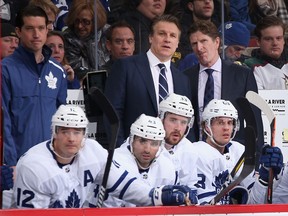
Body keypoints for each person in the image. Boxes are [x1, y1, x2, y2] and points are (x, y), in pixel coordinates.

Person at [13, 105, 197, 208]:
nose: (71, 138)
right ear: (54, 132)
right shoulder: (34, 166)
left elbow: (126, 186)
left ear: (84, 134)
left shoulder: (93, 152)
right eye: (65, 131)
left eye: (77, 132)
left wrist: (157, 196)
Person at [183, 20, 264, 170]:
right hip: (196, 158)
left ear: (217, 42)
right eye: (194, 44)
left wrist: (255, 163)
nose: (199, 48)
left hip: (234, 158)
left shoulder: (242, 75)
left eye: (203, 41)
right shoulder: (186, 77)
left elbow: (255, 123)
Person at [104, 14, 192, 147]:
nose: (167, 39)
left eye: (173, 36)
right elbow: (112, 113)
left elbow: (186, 120)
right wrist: (120, 150)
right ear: (150, 37)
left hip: (170, 155)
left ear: (178, 43)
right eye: (162, 34)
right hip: (131, 152)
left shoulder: (183, 80)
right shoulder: (126, 67)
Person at [2, 5, 67, 167]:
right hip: (19, 163)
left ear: (47, 30)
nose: (36, 34)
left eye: (41, 28)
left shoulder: (58, 71)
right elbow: (4, 122)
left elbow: (62, 120)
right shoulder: (5, 69)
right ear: (19, 31)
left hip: (52, 162)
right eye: (30, 28)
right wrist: (10, 162)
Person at [104, 114, 183, 207]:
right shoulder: (115, 161)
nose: (147, 149)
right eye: (142, 141)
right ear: (132, 140)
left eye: (154, 143)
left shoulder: (167, 167)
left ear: (160, 145)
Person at [194, 99, 254, 204]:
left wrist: (264, 182)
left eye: (230, 123)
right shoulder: (197, 153)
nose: (226, 128)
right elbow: (203, 206)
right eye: (220, 123)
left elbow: (255, 200)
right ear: (206, 126)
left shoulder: (240, 151)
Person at [158, 93, 199, 191]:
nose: (178, 128)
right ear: (161, 118)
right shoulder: (145, 145)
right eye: (173, 120)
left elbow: (191, 186)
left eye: (183, 122)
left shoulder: (189, 150)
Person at [63, 0, 110, 81]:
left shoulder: (108, 33)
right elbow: (77, 70)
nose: (80, 26)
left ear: (96, 20)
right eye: (77, 21)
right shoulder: (69, 37)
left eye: (86, 22)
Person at [178, 21, 251, 71]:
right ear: (220, 43)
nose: (238, 55)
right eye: (237, 49)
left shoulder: (241, 69)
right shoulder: (192, 60)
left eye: (242, 51)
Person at [244, 16, 288, 90]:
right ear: (258, 41)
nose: (275, 43)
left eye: (278, 38)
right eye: (268, 39)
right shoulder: (249, 67)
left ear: (283, 40)